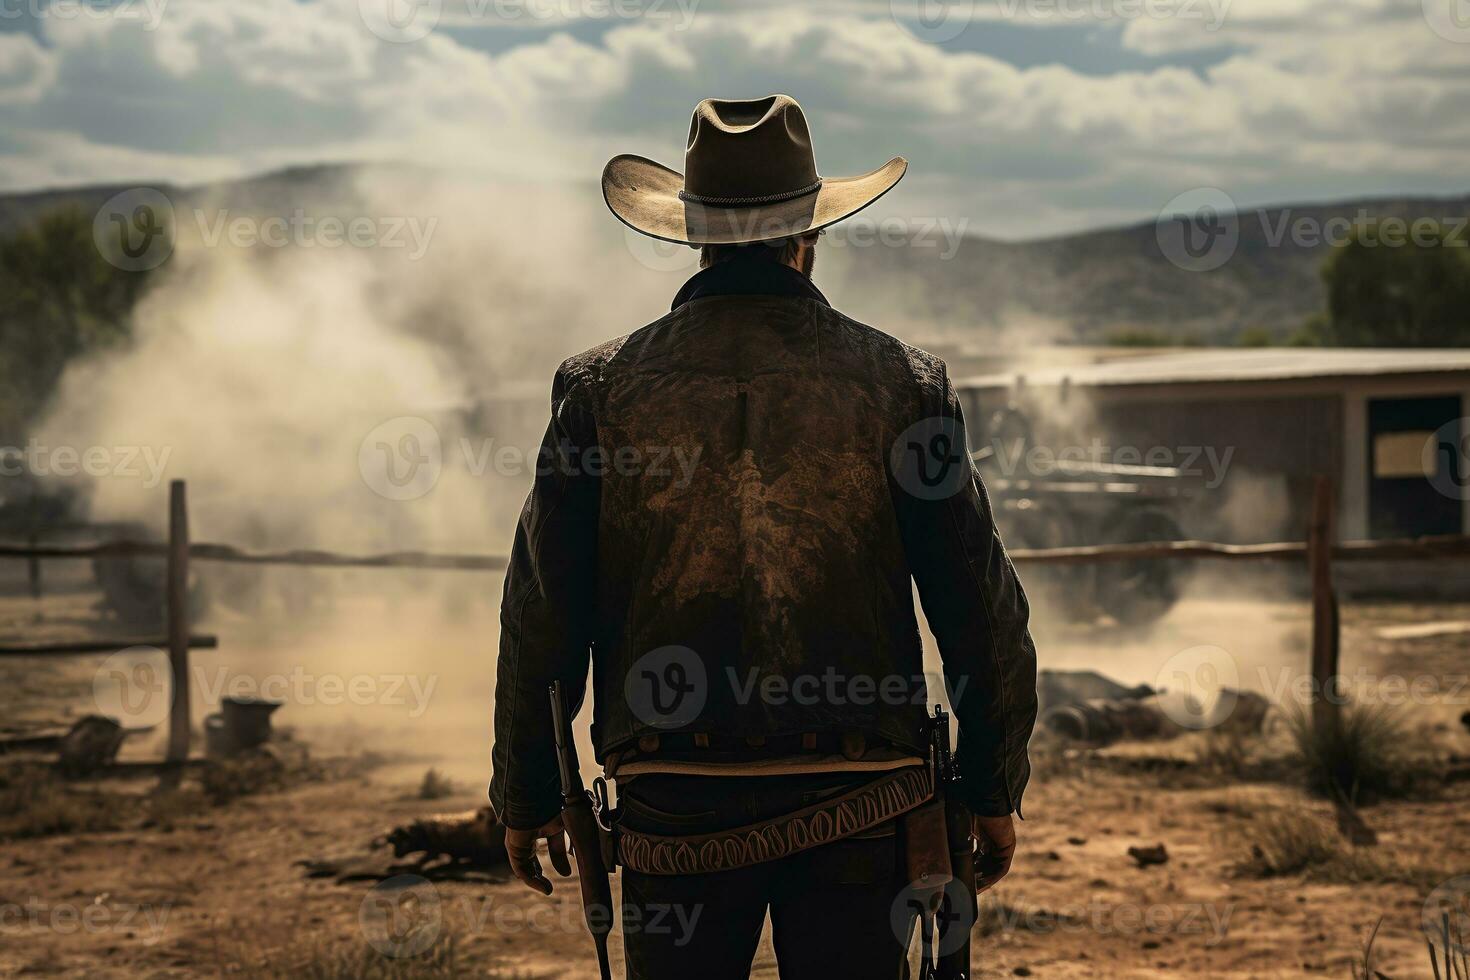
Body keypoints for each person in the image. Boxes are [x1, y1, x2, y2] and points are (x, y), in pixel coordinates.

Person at [489, 94, 1038, 980]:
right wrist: (989, 784)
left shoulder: (600, 389)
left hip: (675, 814)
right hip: (866, 803)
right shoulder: (901, 382)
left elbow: (543, 611)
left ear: (694, 235)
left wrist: (522, 792)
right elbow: (980, 608)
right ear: (809, 235)